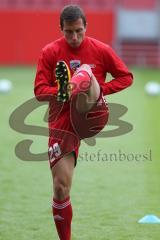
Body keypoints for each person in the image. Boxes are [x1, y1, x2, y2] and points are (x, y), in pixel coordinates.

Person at [34, 4, 133, 240]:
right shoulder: (50, 52)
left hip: (92, 111)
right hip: (63, 120)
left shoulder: (101, 49)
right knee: (60, 188)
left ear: (86, 26)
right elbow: (39, 91)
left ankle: (78, 86)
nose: (75, 37)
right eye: (69, 32)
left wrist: (101, 92)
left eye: (79, 30)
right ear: (61, 29)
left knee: (86, 73)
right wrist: (61, 94)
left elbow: (126, 77)